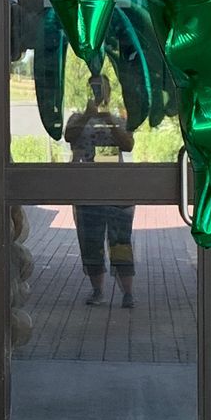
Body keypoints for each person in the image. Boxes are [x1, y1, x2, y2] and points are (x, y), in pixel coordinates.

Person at [64, 69, 136, 306]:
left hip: (117, 190)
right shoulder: (77, 117)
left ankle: (127, 292)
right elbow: (69, 136)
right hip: (86, 189)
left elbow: (128, 144)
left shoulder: (119, 117)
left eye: (100, 88)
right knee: (90, 241)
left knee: (120, 241)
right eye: (93, 88)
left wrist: (108, 120)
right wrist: (88, 115)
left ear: (109, 91)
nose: (97, 92)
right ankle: (98, 291)